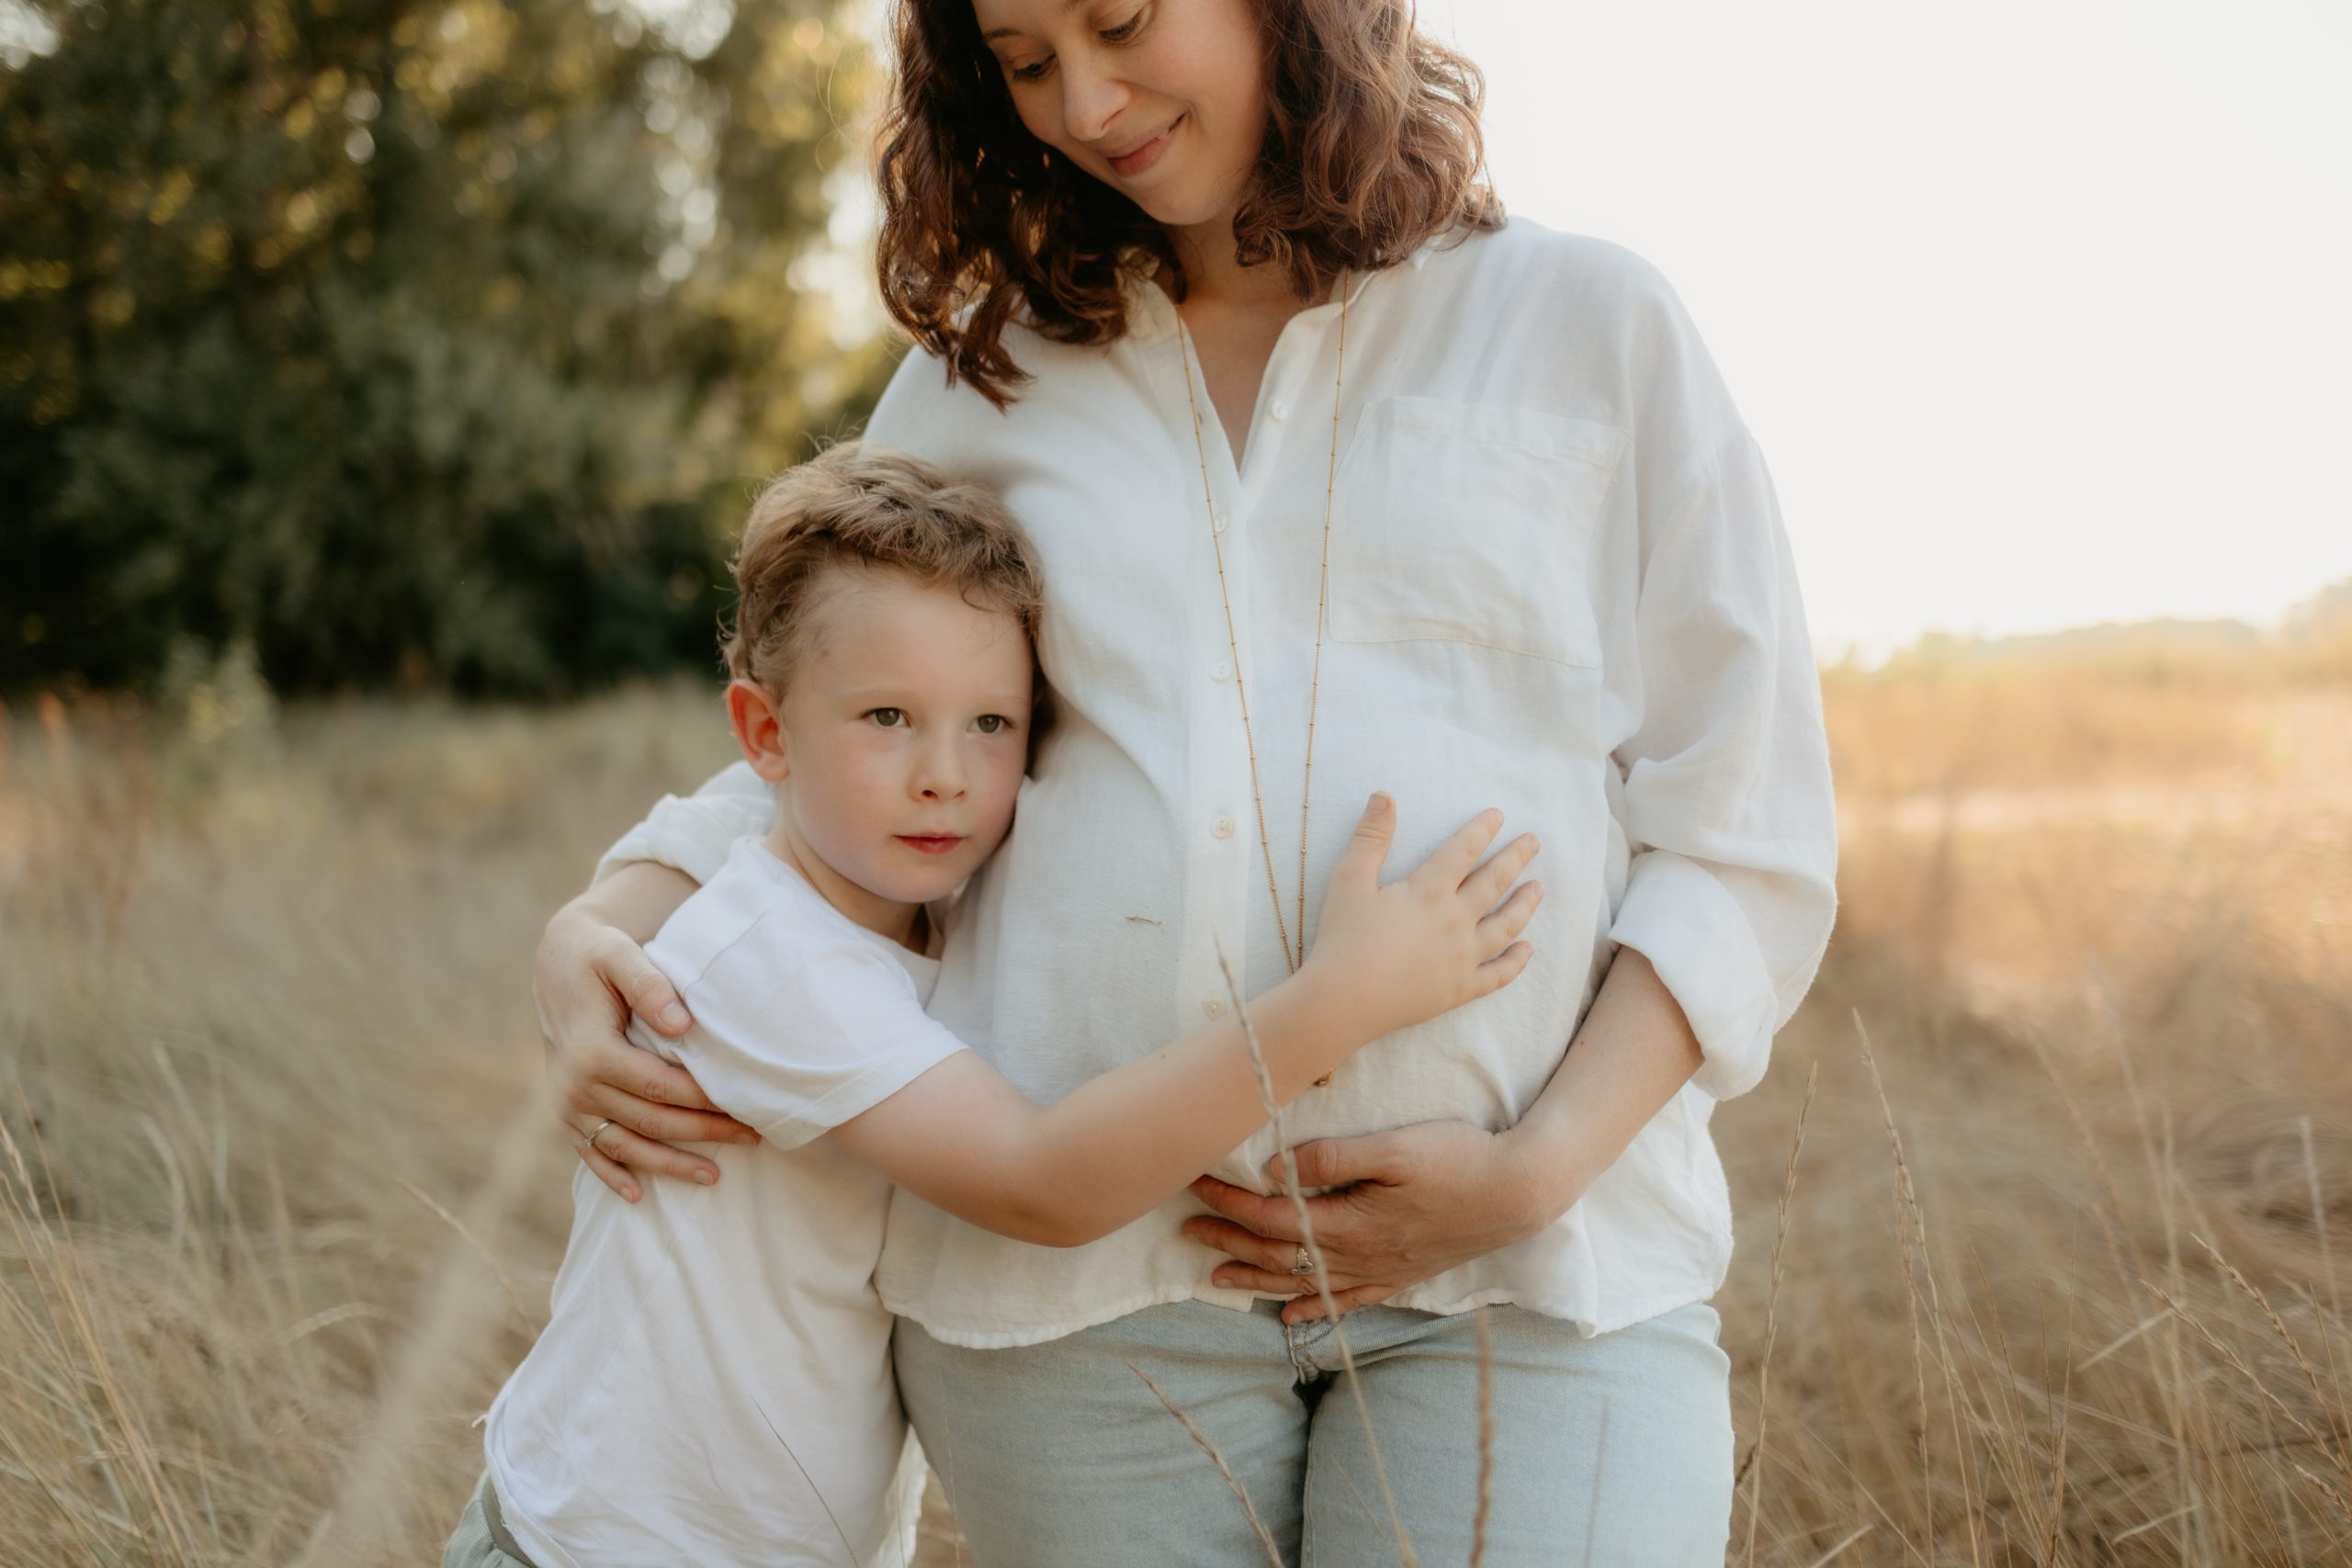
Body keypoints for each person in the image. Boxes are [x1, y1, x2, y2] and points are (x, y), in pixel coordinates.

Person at [535, 0, 1839, 1561]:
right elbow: (843, 733)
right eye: (1023, 62)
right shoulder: (978, 382)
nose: (1084, 101)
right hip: (1079, 1319)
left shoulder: (1587, 325)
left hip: (1536, 1282)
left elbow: (1746, 826)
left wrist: (1528, 1172)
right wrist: (611, 910)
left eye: (1122, 20)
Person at [448, 443, 1543, 1568]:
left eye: (991, 724)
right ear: (765, 734)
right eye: (886, 718)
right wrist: (1346, 998)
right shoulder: (766, 957)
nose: (945, 775)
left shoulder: (917, 911)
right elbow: (1042, 1181)